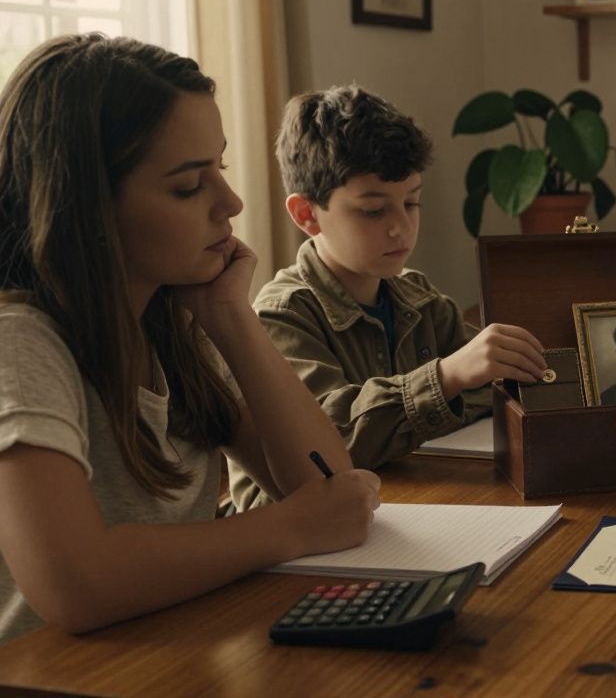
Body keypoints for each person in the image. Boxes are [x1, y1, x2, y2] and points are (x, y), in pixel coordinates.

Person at [0, 34, 381, 644]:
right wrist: (290, 530)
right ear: (86, 206)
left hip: (169, 654)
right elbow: (74, 582)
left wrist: (231, 318)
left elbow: (326, 487)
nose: (230, 203)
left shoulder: (172, 326)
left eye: (220, 170)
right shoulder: (20, 343)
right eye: (186, 186)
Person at [229, 85, 547, 511]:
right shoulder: (280, 317)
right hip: (292, 547)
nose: (401, 227)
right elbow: (324, 441)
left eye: (412, 203)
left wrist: (479, 375)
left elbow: (490, 388)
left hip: (407, 506)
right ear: (307, 215)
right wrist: (448, 376)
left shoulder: (421, 300)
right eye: (374, 210)